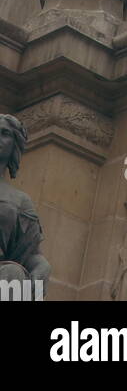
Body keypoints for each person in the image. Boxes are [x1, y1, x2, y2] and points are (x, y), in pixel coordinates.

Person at [0, 114, 51, 292]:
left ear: (14, 144)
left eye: (4, 133)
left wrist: (42, 267)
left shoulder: (19, 201)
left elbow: (31, 254)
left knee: (13, 274)